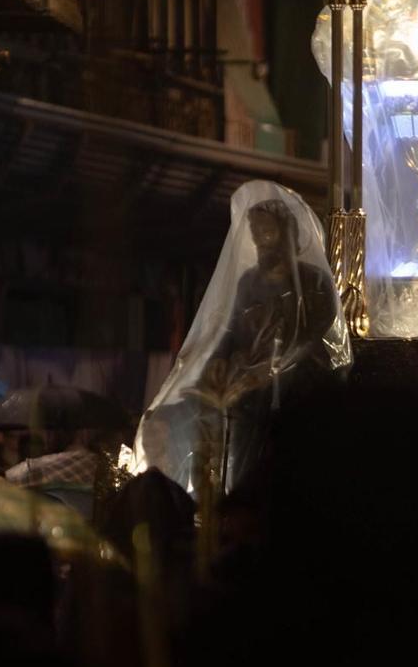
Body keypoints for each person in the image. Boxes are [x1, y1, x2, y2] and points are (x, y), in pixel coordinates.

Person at [137, 182, 353, 500]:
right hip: (250, 386)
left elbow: (316, 337)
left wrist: (276, 368)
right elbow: (230, 333)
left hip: (300, 383)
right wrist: (210, 367)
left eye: (266, 232)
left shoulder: (314, 282)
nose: (260, 241)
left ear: (285, 233)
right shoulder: (249, 282)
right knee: (196, 416)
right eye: (255, 232)